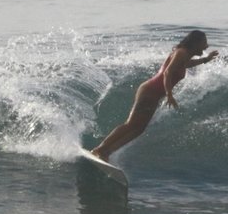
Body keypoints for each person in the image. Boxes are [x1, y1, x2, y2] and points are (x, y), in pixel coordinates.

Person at [87, 30, 219, 162]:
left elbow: (185, 65)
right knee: (131, 124)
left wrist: (205, 60)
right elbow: (168, 73)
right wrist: (169, 94)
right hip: (149, 92)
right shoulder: (181, 52)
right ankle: (99, 149)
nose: (206, 46)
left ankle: (106, 152)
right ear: (195, 43)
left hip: (154, 95)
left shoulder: (184, 55)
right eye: (204, 43)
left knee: (139, 129)